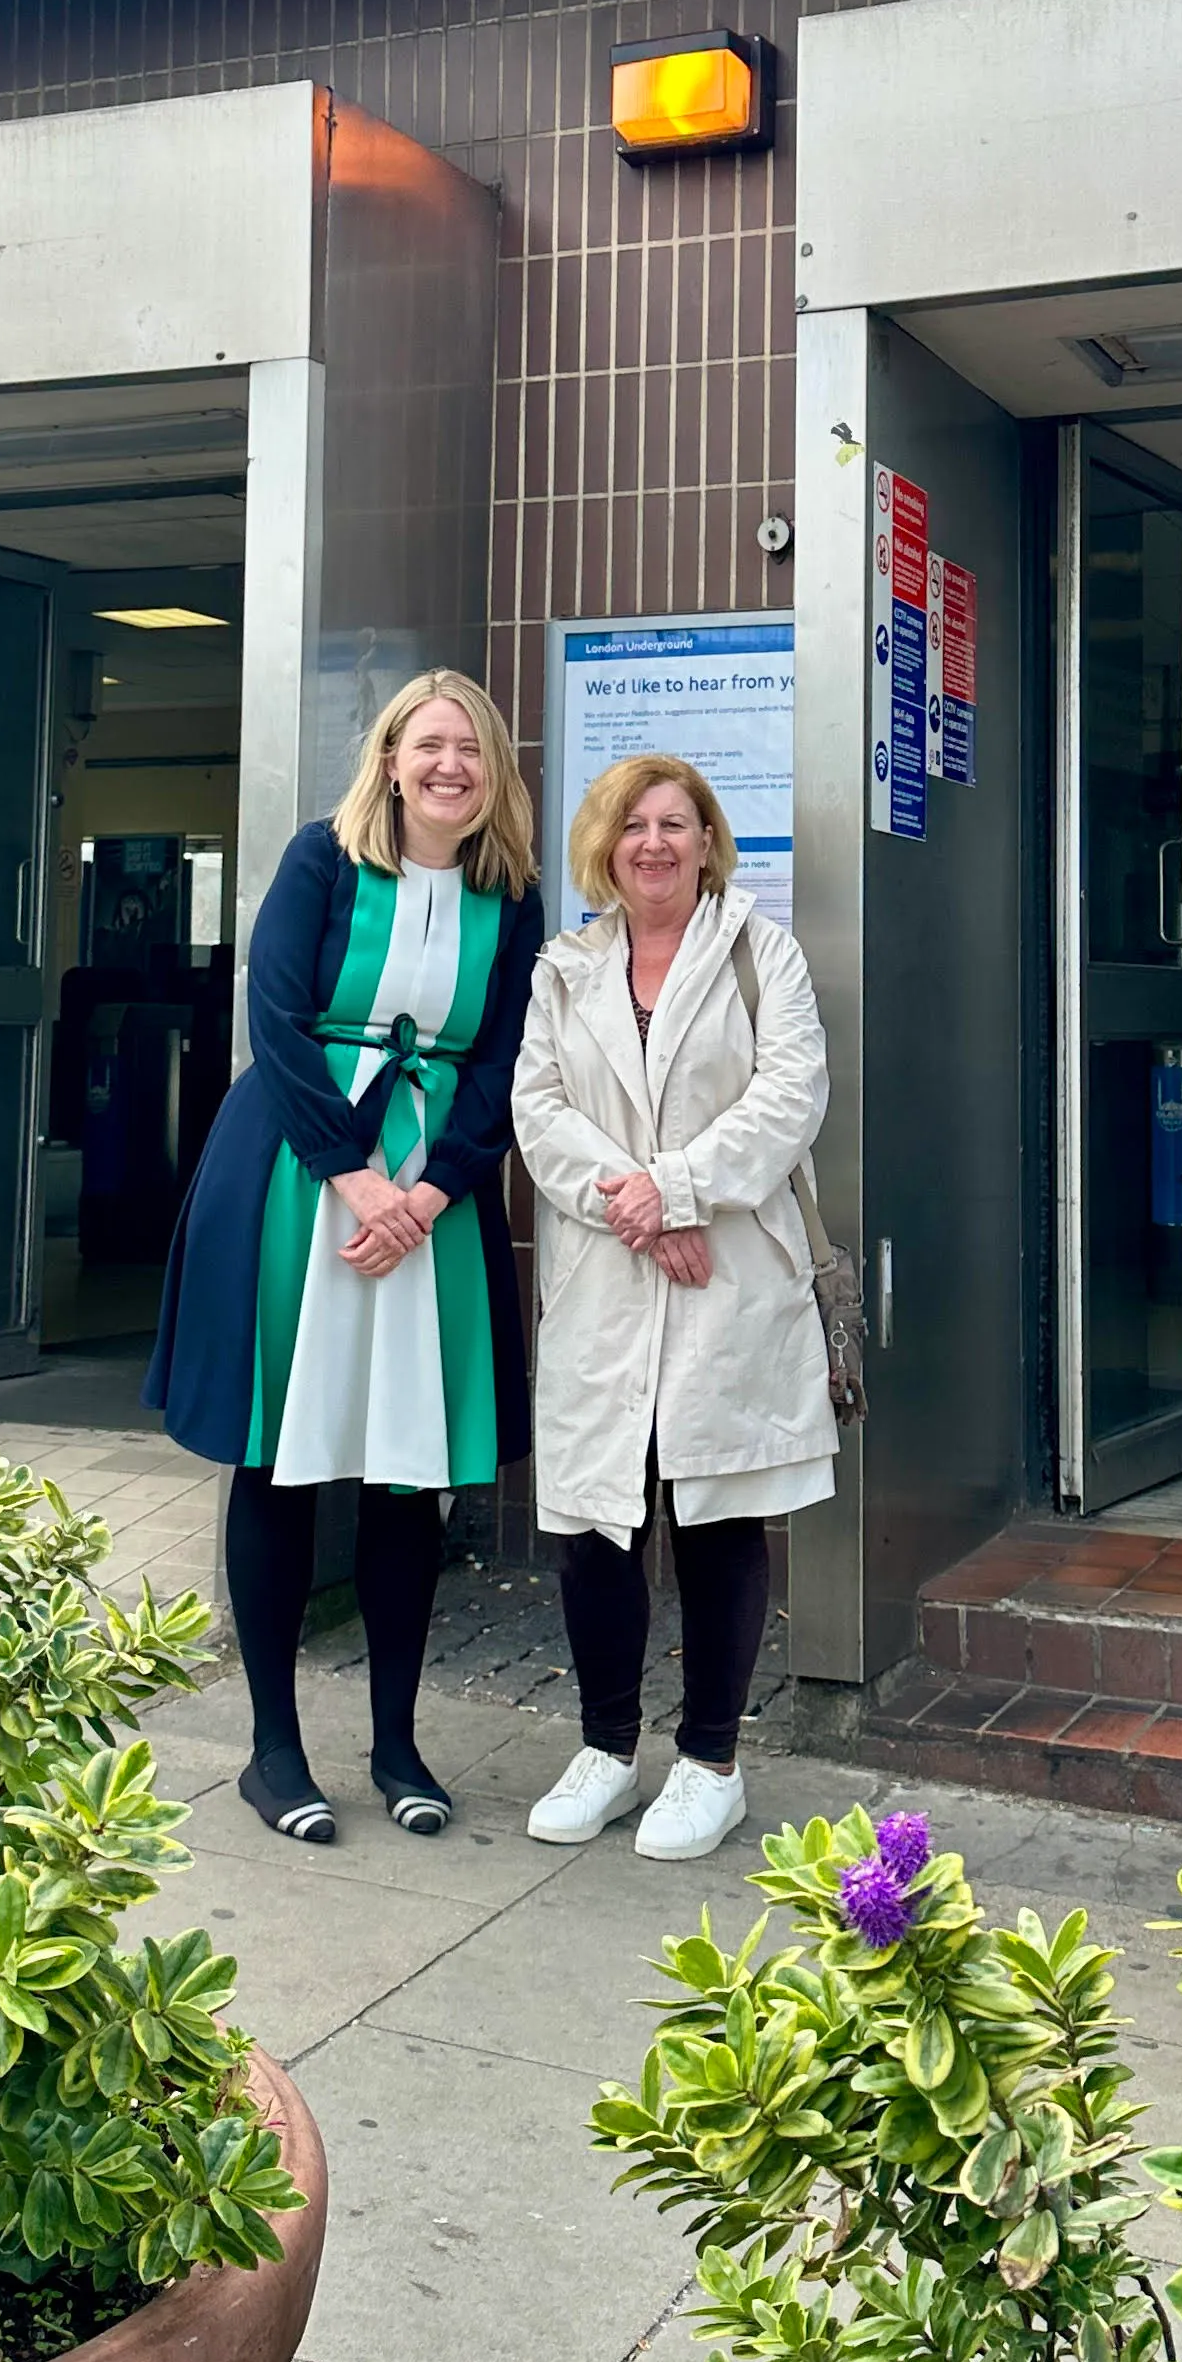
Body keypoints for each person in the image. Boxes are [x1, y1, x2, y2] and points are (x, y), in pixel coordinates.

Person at [145, 669, 544, 1845]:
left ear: (495, 773)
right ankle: (273, 1751)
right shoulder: (322, 858)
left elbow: (505, 1057)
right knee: (281, 1451)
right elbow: (272, 1015)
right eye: (429, 745)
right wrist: (356, 1175)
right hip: (296, 1178)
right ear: (387, 756)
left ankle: (395, 1742)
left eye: (471, 750)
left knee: (405, 1468)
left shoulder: (507, 892)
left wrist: (426, 1191)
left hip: (430, 1194)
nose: (449, 767)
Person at [512, 756, 837, 1861]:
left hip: (727, 1276)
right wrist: (642, 1204)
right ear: (604, 845)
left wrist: (683, 1186)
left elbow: (790, 1094)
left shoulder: (759, 951)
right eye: (633, 824)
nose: (654, 841)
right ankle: (605, 1748)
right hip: (608, 1272)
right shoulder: (565, 965)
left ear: (708, 841)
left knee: (715, 1512)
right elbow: (538, 1106)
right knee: (597, 1522)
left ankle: (709, 1763)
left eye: (676, 822)